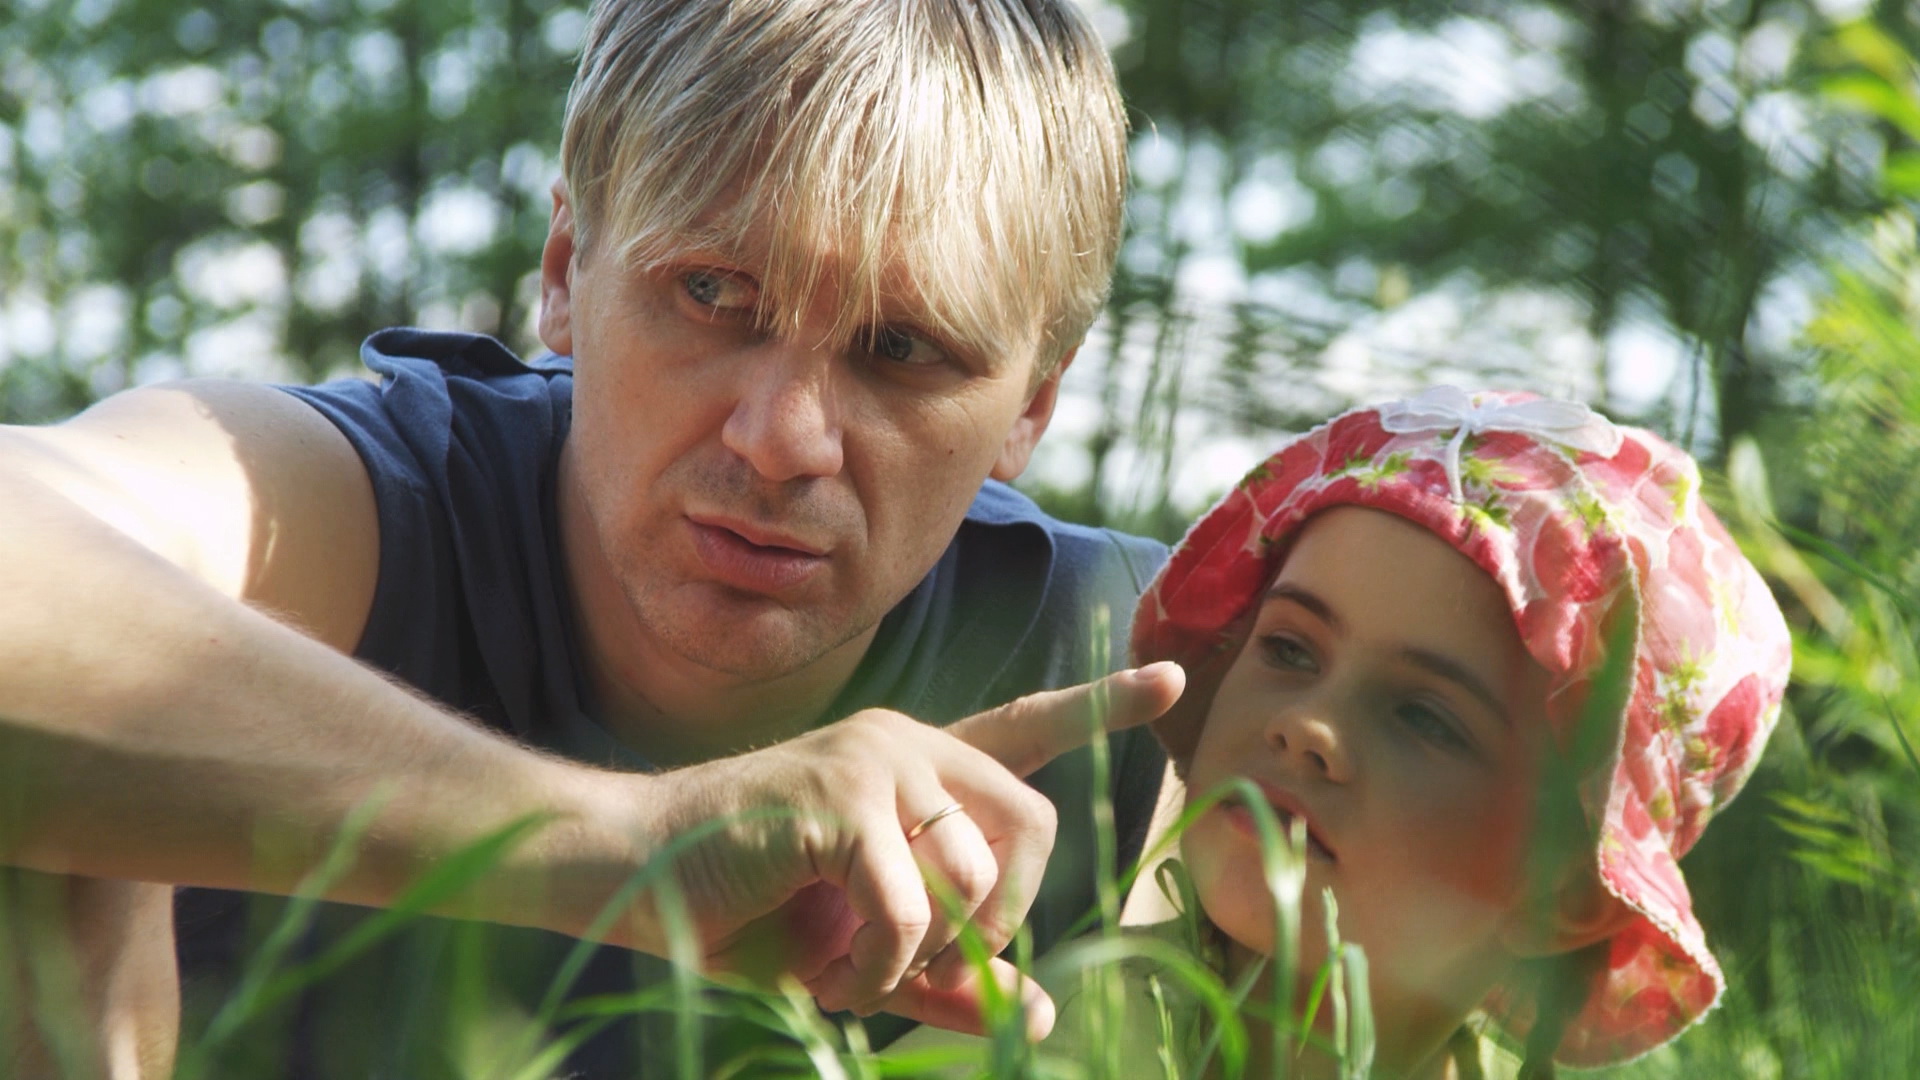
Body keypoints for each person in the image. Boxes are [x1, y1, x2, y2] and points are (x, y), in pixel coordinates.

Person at [0, 1, 1186, 1075]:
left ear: (1033, 401)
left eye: (902, 349)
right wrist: (632, 849)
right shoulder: (365, 501)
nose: (782, 440)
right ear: (567, 271)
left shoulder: (1142, 668)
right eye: (714, 294)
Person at [940, 386, 1790, 1078]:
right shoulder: (1017, 1043)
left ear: (1566, 889)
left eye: (1424, 716)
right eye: (1287, 647)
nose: (1307, 725)